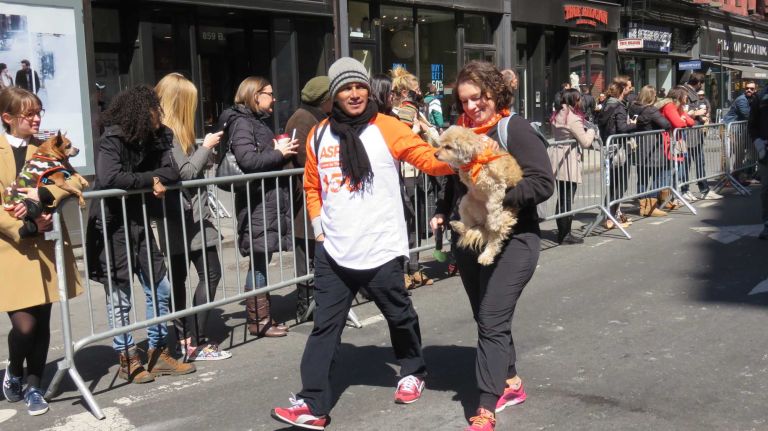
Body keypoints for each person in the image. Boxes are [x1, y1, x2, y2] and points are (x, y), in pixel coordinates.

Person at [270, 57, 455, 430]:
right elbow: (311, 185)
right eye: (345, 88)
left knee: (399, 315)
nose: (354, 94)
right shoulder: (320, 133)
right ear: (334, 94)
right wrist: (320, 229)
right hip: (335, 250)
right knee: (325, 327)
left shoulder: (387, 127)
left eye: (359, 87)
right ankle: (312, 404)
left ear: (368, 90)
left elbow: (427, 160)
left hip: (380, 246)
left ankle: (412, 370)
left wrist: (468, 156)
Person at [431, 61, 554, 431]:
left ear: (493, 93)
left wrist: (501, 198)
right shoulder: (461, 133)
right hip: (472, 238)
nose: (471, 107)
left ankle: (486, 405)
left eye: (478, 97)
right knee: (487, 315)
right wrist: (442, 212)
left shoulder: (512, 128)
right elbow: (455, 184)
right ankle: (510, 380)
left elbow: (543, 182)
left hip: (514, 237)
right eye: (464, 100)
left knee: (491, 317)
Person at [86, 85, 195, 383]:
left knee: (160, 287)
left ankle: (159, 353)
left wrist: (156, 177)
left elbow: (172, 171)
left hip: (141, 220)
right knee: (120, 295)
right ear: (138, 112)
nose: (158, 114)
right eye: (153, 110)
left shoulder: (159, 136)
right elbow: (110, 178)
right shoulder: (113, 138)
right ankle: (127, 357)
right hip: (112, 224)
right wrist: (151, 179)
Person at [0, 87, 83, 416]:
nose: (36, 118)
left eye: (38, 111)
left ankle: (35, 386)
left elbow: (71, 180)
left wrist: (43, 200)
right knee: (24, 325)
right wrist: (24, 225)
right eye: (28, 113)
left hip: (47, 245)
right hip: (10, 246)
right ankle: (15, 370)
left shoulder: (46, 147)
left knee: (44, 318)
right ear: (8, 118)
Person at [154, 73, 231, 361]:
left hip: (190, 216)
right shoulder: (166, 132)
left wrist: (203, 153)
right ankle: (192, 341)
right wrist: (207, 146)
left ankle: (189, 339)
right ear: (181, 102)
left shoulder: (173, 131)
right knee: (193, 276)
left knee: (199, 274)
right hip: (182, 217)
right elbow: (185, 172)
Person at [217, 76, 296, 338]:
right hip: (257, 203)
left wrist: (274, 148)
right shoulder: (242, 122)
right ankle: (260, 321)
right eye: (269, 94)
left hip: (264, 201)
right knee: (260, 259)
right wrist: (279, 153)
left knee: (262, 257)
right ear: (254, 95)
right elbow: (248, 161)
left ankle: (262, 318)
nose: (273, 98)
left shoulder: (252, 121)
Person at [285, 75, 332, 321]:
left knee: (316, 252)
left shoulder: (315, 117)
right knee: (307, 253)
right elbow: (305, 158)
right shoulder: (303, 119)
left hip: (316, 196)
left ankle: (319, 300)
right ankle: (305, 303)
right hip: (305, 199)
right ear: (325, 99)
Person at [391, 67, 439, 289]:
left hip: (417, 170)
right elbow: (400, 141)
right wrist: (416, 130)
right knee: (405, 220)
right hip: (404, 172)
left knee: (416, 220)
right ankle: (402, 270)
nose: (418, 92)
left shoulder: (415, 110)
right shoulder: (395, 113)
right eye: (415, 89)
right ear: (404, 92)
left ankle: (414, 266)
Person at [550, 88, 596, 244]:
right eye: (578, 99)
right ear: (572, 100)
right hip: (568, 160)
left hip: (558, 158)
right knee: (567, 199)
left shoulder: (558, 113)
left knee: (562, 198)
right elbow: (585, 142)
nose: (580, 101)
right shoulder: (573, 118)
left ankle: (563, 233)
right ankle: (565, 235)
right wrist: (591, 131)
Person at [596, 75, 637, 229]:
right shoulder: (618, 106)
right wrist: (634, 124)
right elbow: (622, 128)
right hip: (618, 149)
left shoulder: (607, 104)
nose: (630, 89)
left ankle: (612, 215)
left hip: (610, 147)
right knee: (619, 184)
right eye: (628, 86)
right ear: (622, 89)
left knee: (614, 184)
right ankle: (610, 216)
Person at [628, 85, 672, 217]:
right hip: (652, 147)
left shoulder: (633, 107)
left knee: (642, 178)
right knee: (657, 176)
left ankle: (643, 207)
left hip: (639, 145)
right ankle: (651, 207)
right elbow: (666, 124)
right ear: (652, 96)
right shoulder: (650, 110)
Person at [681, 72, 721, 201]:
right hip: (688, 133)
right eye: (701, 84)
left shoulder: (689, 91)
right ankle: (684, 190)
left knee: (699, 162)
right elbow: (683, 112)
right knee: (686, 164)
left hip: (696, 132)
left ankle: (704, 189)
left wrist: (702, 117)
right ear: (699, 83)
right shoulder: (684, 91)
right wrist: (697, 113)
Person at [657, 86, 695, 207]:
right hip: (667, 141)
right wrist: (682, 120)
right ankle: (666, 199)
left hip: (676, 141)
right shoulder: (670, 106)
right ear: (680, 96)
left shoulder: (679, 107)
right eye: (685, 95)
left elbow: (691, 122)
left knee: (676, 170)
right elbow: (679, 123)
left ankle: (671, 198)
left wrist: (683, 119)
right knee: (669, 171)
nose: (687, 97)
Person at [748, 83, 768, 239]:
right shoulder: (760, 97)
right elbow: (752, 125)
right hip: (766, 149)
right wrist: (758, 142)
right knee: (766, 190)